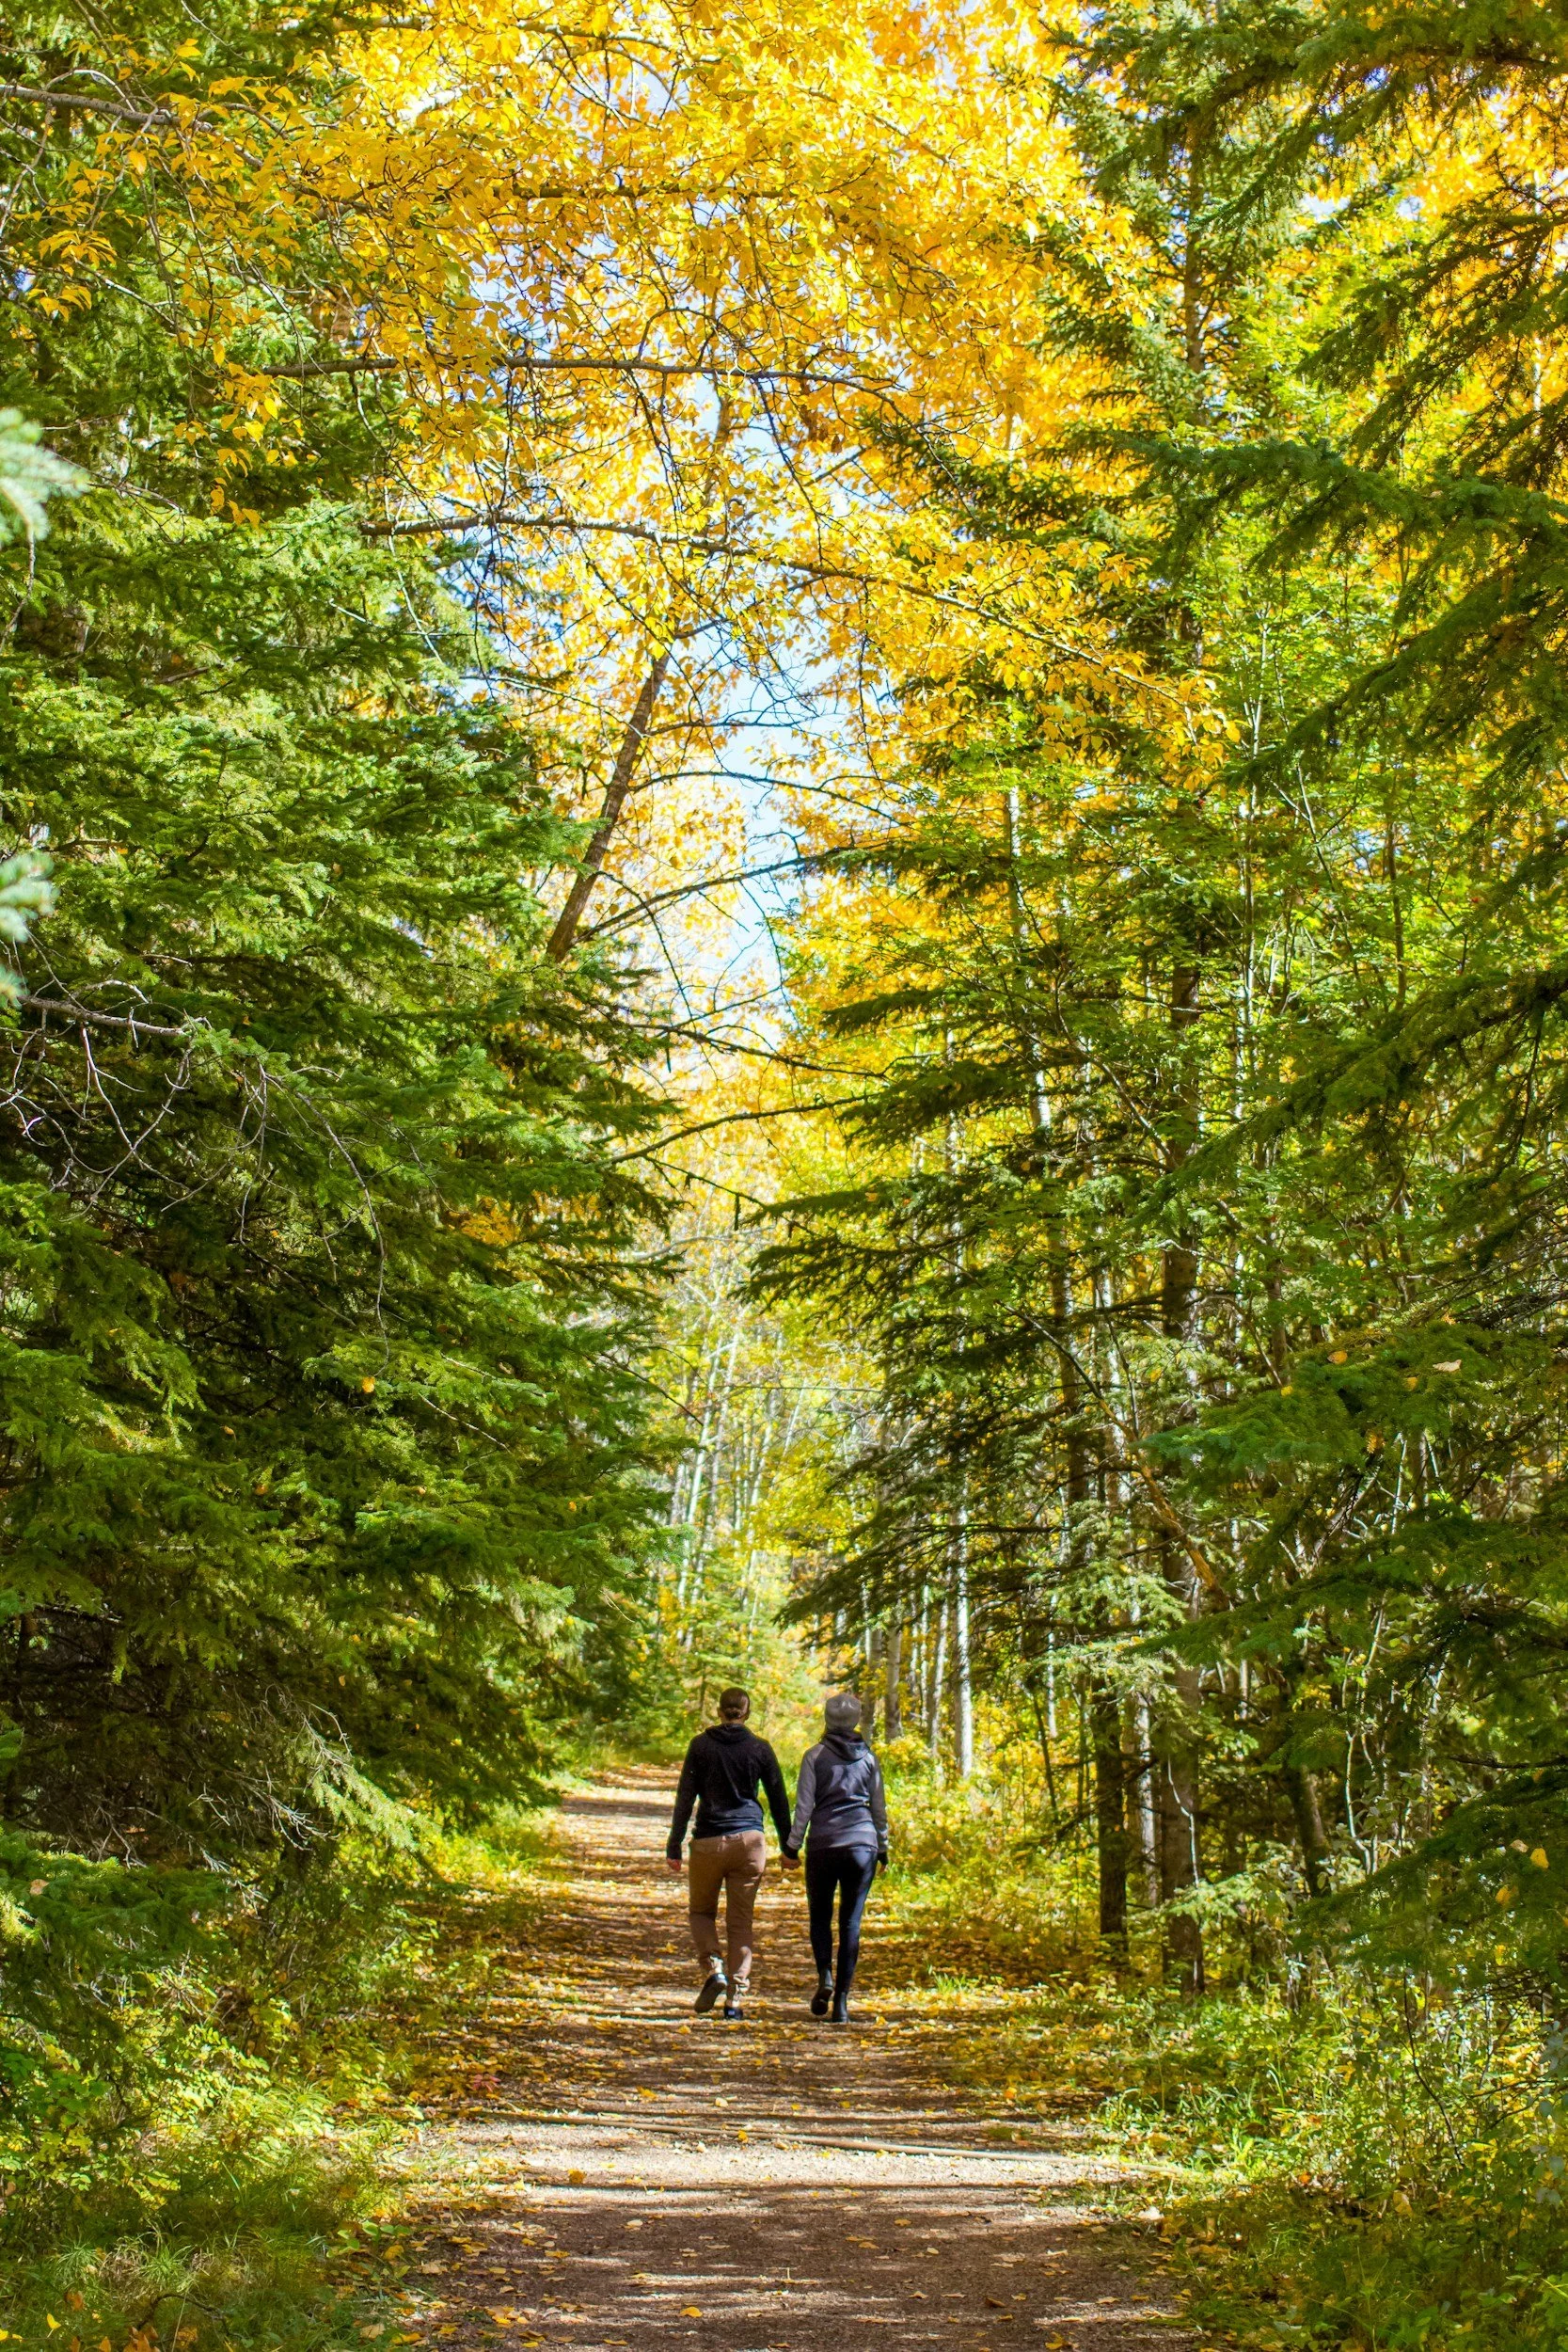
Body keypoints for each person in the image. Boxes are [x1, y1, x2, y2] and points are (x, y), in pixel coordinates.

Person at [666, 1686, 792, 2021]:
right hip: (749, 1843)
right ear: (746, 1714)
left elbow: (685, 1797)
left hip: (708, 1841)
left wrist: (674, 1844)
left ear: (719, 1711)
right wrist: (790, 1847)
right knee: (740, 1922)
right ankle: (735, 2000)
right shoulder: (760, 1748)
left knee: (701, 1913)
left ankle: (714, 1969)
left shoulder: (700, 1745)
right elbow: (778, 1799)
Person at [783, 1690, 889, 2026]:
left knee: (820, 1916)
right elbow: (878, 1808)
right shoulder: (869, 1758)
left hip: (824, 1845)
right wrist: (883, 1847)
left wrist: (791, 1847)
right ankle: (842, 2003)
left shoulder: (814, 1756)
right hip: (862, 1845)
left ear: (828, 1720)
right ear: (855, 1721)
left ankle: (825, 1975)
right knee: (851, 1923)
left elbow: (804, 1808)